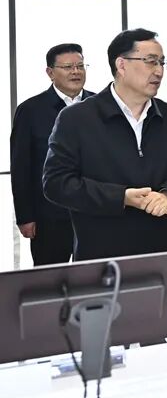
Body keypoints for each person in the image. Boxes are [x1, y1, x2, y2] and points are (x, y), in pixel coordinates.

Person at [43, 29, 167, 260]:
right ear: (122, 65)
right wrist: (121, 197)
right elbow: (56, 183)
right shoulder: (76, 118)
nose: (159, 71)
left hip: (162, 253)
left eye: (162, 62)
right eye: (151, 61)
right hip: (101, 255)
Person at [11, 44, 95, 265]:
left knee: (93, 276)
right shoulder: (30, 110)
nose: (76, 72)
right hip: (49, 216)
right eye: (68, 67)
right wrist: (25, 216)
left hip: (94, 212)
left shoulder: (100, 105)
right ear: (50, 72)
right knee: (49, 279)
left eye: (80, 66)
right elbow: (21, 167)